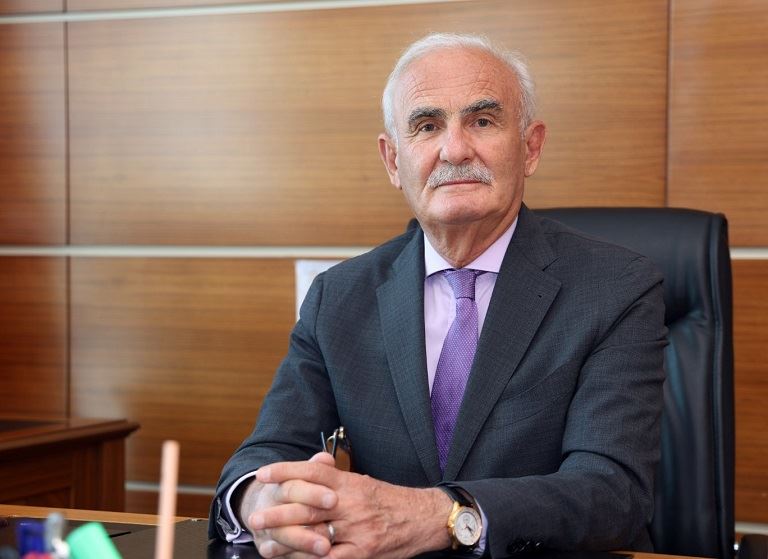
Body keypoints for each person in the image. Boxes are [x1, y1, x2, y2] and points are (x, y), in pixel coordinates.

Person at [209, 32, 667, 559]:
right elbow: (265, 453)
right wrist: (264, 503)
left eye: (483, 121)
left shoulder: (616, 287)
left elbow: (612, 492)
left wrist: (440, 516)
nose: (455, 149)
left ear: (531, 147)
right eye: (427, 126)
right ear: (392, 160)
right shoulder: (339, 297)